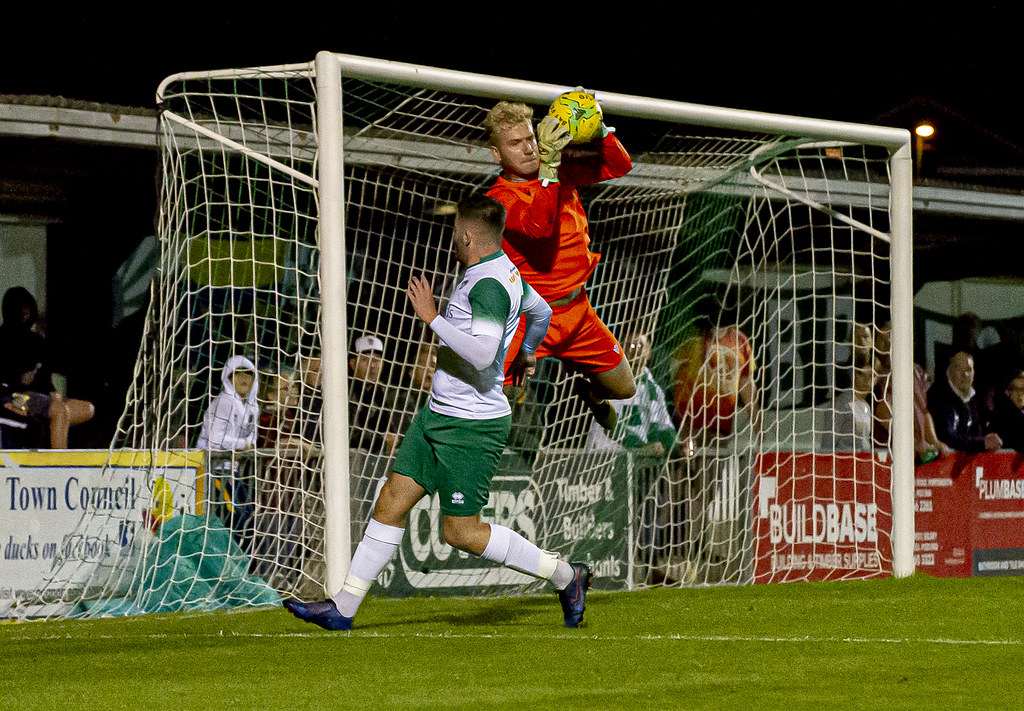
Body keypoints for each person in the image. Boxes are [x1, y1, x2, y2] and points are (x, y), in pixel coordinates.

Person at [284, 193, 594, 631]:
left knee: (460, 532)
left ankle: (567, 575)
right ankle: (344, 608)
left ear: (466, 234)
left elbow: (484, 355)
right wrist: (526, 352)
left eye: (453, 232)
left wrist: (431, 318)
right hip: (437, 414)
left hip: (470, 425)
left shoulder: (487, 284)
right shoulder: (503, 271)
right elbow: (540, 311)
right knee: (391, 499)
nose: (451, 239)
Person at [484, 95, 636, 431]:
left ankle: (592, 395)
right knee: (495, 410)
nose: (528, 149)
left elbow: (619, 165)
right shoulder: (498, 199)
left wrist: (599, 130)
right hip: (529, 319)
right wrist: (550, 168)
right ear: (496, 153)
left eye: (530, 139)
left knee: (625, 388)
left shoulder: (557, 171)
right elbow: (539, 227)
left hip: (578, 312)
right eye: (515, 144)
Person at [0, 286, 95, 448]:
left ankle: (53, 434)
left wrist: (52, 391)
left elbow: (45, 371)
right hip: (14, 396)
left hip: (40, 395)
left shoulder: (37, 341)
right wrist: (18, 378)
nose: (25, 312)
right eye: (21, 308)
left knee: (87, 409)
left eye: (27, 308)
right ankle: (59, 465)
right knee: (60, 411)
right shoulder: (2, 338)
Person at [197, 355, 260, 548]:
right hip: (213, 471)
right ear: (228, 377)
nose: (243, 379)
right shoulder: (224, 402)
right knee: (234, 520)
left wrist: (244, 445)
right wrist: (243, 445)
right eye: (237, 373)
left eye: (248, 374)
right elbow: (216, 439)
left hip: (233, 472)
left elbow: (254, 439)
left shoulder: (252, 407)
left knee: (248, 516)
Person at [586, 331, 675, 458]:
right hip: (603, 458)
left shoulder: (654, 389)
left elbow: (664, 427)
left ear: (649, 352)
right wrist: (642, 447)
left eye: (640, 346)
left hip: (634, 463)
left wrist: (678, 446)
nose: (635, 351)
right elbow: (612, 425)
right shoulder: (611, 382)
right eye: (630, 346)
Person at [927, 351, 1002, 453]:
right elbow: (947, 437)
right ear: (949, 371)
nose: (965, 374)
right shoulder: (939, 397)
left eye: (968, 370)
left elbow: (978, 431)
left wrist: (989, 440)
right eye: (958, 368)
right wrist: (981, 443)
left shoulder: (975, 399)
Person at [348, 333, 399, 454]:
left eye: (376, 360)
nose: (372, 365)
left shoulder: (384, 393)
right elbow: (351, 432)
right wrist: (382, 440)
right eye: (365, 359)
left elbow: (394, 429)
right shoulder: (345, 391)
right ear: (352, 364)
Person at [913, 364, 951, 464]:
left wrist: (935, 441)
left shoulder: (917, 370)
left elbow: (924, 413)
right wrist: (911, 443)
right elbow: (883, 411)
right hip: (891, 458)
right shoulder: (890, 375)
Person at [988, 369, 1024, 453]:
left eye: (1023, 389)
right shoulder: (1001, 416)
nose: (1020, 394)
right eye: (1016, 389)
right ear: (1007, 392)